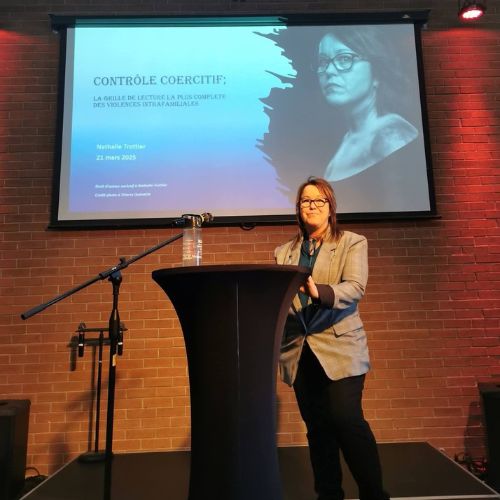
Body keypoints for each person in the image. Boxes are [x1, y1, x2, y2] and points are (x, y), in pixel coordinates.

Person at [274, 176, 389, 500]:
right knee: (318, 429)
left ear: (330, 207)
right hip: (299, 351)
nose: (311, 206)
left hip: (341, 347)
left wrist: (318, 291)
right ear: (298, 208)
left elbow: (355, 287)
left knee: (346, 420)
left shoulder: (352, 242)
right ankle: (328, 495)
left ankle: (374, 494)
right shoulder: (283, 253)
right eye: (305, 201)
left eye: (318, 200)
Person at [315, 26, 419, 182]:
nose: (329, 71)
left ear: (376, 72)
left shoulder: (392, 135)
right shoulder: (343, 141)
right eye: (323, 61)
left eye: (344, 59)